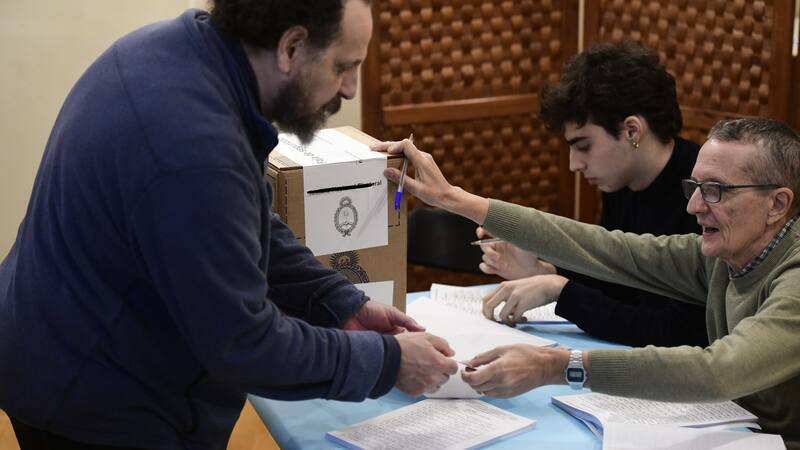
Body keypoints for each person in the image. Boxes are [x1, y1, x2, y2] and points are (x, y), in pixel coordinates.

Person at [0, 1, 458, 448]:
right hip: (93, 399)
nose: (352, 89)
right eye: (343, 66)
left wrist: (337, 300)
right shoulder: (193, 146)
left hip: (62, 345)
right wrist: (387, 362)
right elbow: (245, 344)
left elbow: (244, 222)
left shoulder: (181, 51)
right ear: (291, 47)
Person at [375, 117, 800, 447]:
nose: (694, 206)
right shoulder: (723, 255)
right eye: (695, 186)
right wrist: (454, 198)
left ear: (777, 204)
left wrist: (558, 366)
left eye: (716, 190)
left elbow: (719, 372)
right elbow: (601, 248)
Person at [476, 41, 707, 347]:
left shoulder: (704, 194)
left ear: (632, 131)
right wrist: (542, 271)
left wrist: (561, 291)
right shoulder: (621, 181)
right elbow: (618, 284)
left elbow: (675, 331)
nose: (574, 164)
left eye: (584, 146)